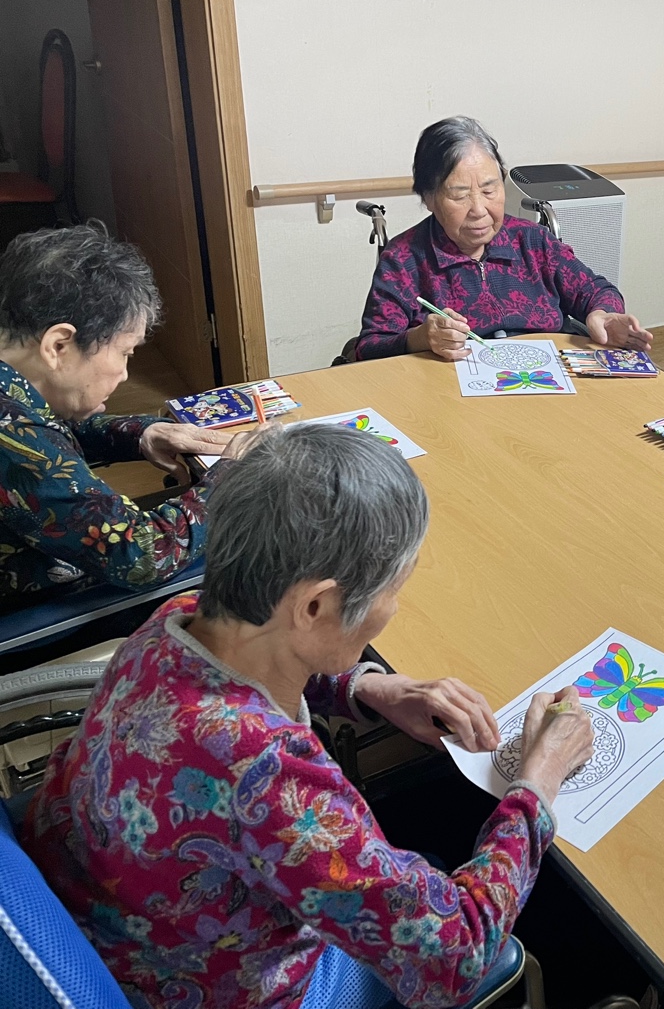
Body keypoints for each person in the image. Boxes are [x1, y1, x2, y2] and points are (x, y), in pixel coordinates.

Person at [23, 424, 595, 1009]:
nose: (394, 608)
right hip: (205, 985)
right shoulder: (271, 777)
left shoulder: (179, 620)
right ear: (316, 605)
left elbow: (271, 652)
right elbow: (454, 956)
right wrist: (538, 784)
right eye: (392, 590)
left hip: (97, 914)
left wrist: (368, 686)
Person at [0, 224, 243, 606]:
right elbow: (142, 554)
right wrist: (235, 476)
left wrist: (139, 433)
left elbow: (48, 434)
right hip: (34, 616)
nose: (125, 373)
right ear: (58, 345)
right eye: (125, 352)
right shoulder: (11, 436)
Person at [353, 116, 651, 361]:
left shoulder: (532, 241)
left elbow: (595, 289)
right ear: (428, 198)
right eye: (459, 195)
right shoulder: (404, 259)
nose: (479, 210)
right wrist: (420, 338)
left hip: (544, 379)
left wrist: (604, 314)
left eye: (489, 190)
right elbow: (369, 348)